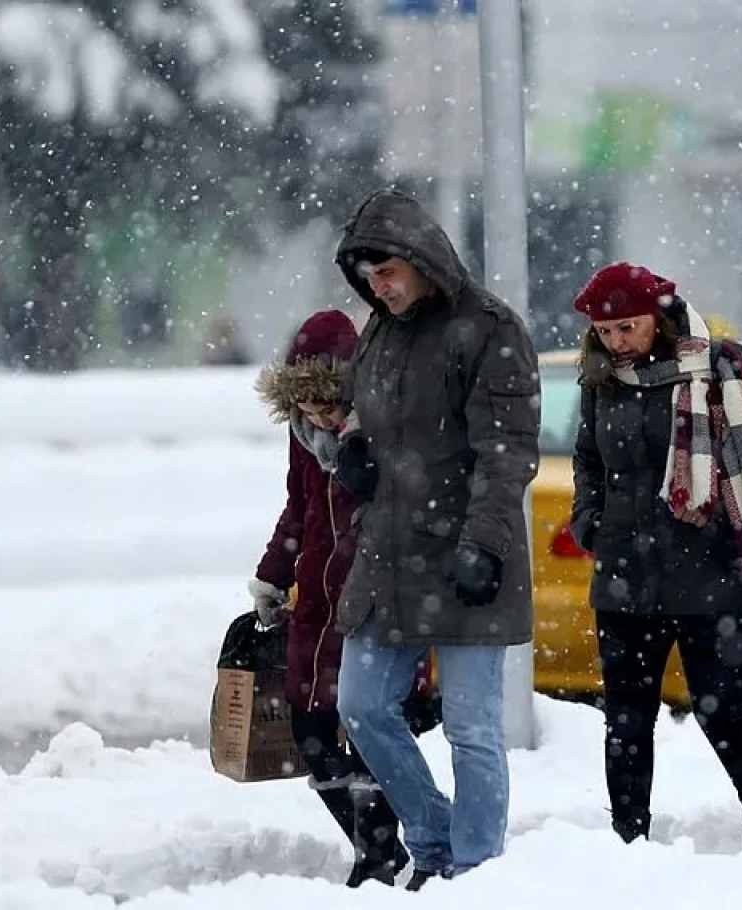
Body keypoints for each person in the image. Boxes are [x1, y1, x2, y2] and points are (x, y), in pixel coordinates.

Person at [331, 189, 541, 889]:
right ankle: (434, 837)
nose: (378, 287)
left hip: (465, 555)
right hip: (389, 553)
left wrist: (483, 542)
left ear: (422, 259)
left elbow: (506, 450)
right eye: (368, 277)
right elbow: (373, 418)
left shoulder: (489, 329)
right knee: (361, 705)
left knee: (472, 729)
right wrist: (355, 450)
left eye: (388, 272)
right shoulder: (381, 330)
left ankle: (475, 869)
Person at [569, 261, 742, 843]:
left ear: (658, 319)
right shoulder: (600, 380)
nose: (617, 343)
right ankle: (628, 835)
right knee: (626, 718)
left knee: (721, 710)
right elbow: (588, 459)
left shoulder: (719, 368)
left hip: (711, 571)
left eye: (628, 329)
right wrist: (590, 522)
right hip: (624, 572)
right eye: (605, 333)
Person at [251, 309, 439, 888]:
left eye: (327, 405)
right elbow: (299, 508)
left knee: (368, 729)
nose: (318, 418)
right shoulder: (305, 435)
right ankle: (373, 847)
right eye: (304, 408)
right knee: (311, 734)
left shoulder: (383, 429)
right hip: (316, 605)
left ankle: (381, 856)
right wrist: (272, 576)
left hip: (375, 600)